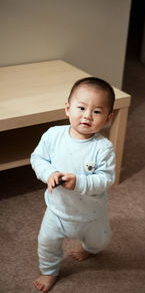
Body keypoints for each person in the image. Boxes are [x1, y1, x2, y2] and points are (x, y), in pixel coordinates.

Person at [31, 76, 116, 292]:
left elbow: (106, 179)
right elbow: (37, 158)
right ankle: (49, 271)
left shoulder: (103, 148)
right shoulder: (53, 135)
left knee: (100, 243)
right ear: (68, 108)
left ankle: (88, 248)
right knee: (46, 242)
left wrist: (79, 182)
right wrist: (49, 172)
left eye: (97, 111)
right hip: (57, 210)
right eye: (81, 108)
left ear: (107, 118)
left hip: (91, 214)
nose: (87, 115)